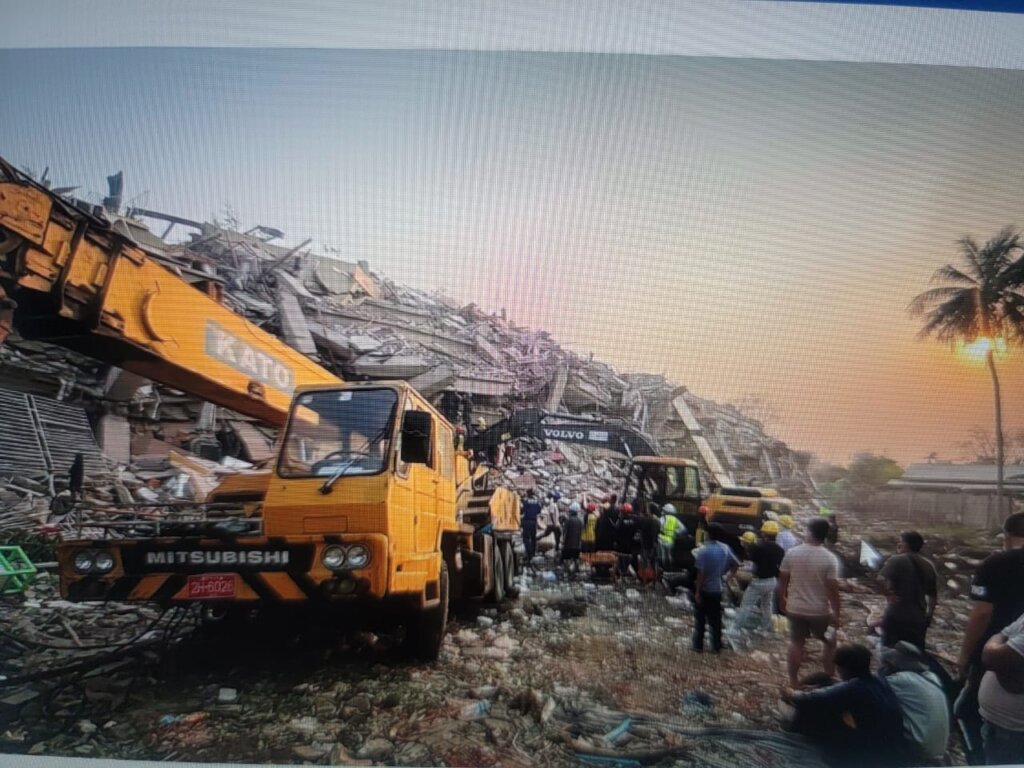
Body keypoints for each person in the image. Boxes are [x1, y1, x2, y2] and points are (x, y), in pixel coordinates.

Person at [955, 511, 1024, 764]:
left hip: (998, 652)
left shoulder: (997, 563)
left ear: (1007, 535)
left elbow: (982, 613)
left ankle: (979, 759)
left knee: (965, 710)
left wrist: (964, 656)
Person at [784, 644, 906, 768]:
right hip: (893, 745)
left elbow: (806, 699)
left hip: (869, 752)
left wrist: (790, 693)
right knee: (824, 681)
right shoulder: (878, 680)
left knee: (811, 707)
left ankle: (794, 735)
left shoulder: (853, 689)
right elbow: (840, 688)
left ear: (842, 668)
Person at [778, 518, 842, 687]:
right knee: (829, 642)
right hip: (820, 610)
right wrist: (836, 613)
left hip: (795, 607)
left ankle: (793, 681)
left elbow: (782, 580)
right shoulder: (830, 558)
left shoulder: (792, 553)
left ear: (809, 531)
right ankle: (828, 678)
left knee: (796, 643)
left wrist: (782, 599)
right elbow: (832, 589)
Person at [878, 641, 950, 765]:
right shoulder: (932, 677)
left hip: (918, 749)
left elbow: (869, 689)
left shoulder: (900, 680)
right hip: (938, 749)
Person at [727, 521, 784, 648]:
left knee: (746, 605)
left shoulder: (759, 548)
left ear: (764, 534)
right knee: (767, 605)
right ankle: (764, 629)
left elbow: (753, 565)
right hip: (772, 581)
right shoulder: (780, 550)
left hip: (759, 582)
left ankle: (735, 629)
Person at [878, 530, 938, 650]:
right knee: (914, 653)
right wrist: (929, 615)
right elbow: (933, 595)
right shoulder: (929, 565)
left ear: (905, 545)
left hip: (896, 615)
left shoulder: (896, 560)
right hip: (918, 618)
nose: (898, 545)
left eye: (900, 542)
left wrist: (888, 594)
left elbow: (879, 580)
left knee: (890, 651)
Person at [979, 610, 1024, 764]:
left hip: (1012, 734)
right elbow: (1003, 633)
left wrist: (995, 649)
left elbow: (991, 657)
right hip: (1003, 728)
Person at [692, 524, 740, 653]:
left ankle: (698, 646)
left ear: (709, 535)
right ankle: (716, 646)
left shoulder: (703, 551)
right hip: (717, 589)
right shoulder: (725, 548)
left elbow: (700, 574)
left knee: (700, 619)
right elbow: (736, 564)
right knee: (716, 620)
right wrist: (727, 577)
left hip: (705, 589)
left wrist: (697, 592)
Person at [615, 503, 640, 579]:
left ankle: (621, 572)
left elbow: (617, 530)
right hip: (631, 543)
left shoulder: (621, 520)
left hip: (622, 543)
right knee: (630, 557)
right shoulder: (635, 520)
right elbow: (637, 530)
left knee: (621, 557)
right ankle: (633, 572)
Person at [637, 507, 661, 585]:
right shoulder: (658, 521)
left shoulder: (645, 520)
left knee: (644, 563)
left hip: (646, 545)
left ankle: (644, 581)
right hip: (654, 544)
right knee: (654, 563)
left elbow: (642, 532)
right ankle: (654, 582)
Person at [658, 503, 686, 570]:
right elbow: (683, 530)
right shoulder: (675, 520)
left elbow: (658, 527)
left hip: (661, 539)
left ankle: (663, 568)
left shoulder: (662, 518)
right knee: (670, 555)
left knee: (663, 555)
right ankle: (670, 568)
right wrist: (675, 533)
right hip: (670, 540)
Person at [561, 502, 585, 577]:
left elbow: (565, 532)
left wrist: (563, 542)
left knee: (565, 560)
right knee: (576, 559)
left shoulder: (568, 520)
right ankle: (576, 572)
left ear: (571, 512)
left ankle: (567, 572)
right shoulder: (580, 521)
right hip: (577, 545)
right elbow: (582, 533)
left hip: (568, 545)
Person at [520, 489, 542, 566]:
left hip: (526, 522)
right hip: (533, 522)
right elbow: (539, 511)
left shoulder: (525, 502)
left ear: (528, 494)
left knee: (526, 538)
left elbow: (522, 511)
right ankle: (533, 553)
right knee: (533, 538)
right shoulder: (537, 502)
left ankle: (529, 554)